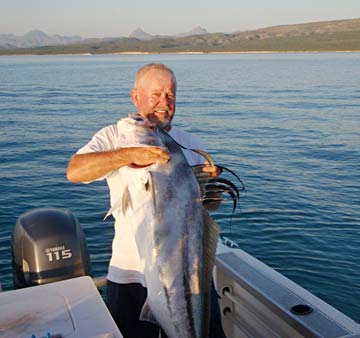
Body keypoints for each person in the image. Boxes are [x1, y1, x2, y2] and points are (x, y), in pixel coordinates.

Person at [66, 63, 226, 338]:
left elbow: (208, 206)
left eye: (170, 95)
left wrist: (212, 193)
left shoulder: (188, 142)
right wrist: (127, 155)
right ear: (135, 96)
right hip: (130, 276)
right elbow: (75, 170)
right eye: (155, 95)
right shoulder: (116, 135)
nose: (164, 103)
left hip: (191, 275)